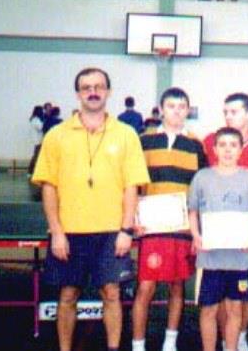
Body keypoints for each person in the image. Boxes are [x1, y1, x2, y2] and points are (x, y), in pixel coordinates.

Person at [31, 67, 150, 351]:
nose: (93, 92)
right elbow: (49, 186)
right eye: (86, 88)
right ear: (78, 94)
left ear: (108, 92)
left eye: (98, 87)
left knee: (112, 294)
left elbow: (131, 186)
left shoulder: (126, 135)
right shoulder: (56, 135)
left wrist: (126, 230)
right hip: (69, 232)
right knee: (67, 296)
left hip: (111, 233)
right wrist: (57, 232)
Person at [132, 87, 207, 351]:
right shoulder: (143, 141)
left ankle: (170, 342)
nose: (176, 111)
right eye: (171, 106)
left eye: (182, 106)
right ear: (161, 109)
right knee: (145, 288)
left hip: (182, 228)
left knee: (177, 286)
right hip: (151, 228)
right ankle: (138, 345)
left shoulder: (196, 144)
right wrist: (134, 218)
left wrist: (197, 230)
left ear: (188, 111)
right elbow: (133, 184)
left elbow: (200, 189)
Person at [202, 92, 248, 351]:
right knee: (218, 292)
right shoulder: (210, 140)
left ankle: (240, 337)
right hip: (215, 231)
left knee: (245, 289)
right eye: (226, 112)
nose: (228, 116)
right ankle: (224, 339)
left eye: (234, 111)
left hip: (246, 230)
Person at [188, 127, 248, 351]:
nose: (228, 150)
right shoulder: (202, 177)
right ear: (214, 149)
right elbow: (192, 211)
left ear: (241, 150)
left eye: (233, 145)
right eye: (222, 145)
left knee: (234, 309)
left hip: (239, 258)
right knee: (208, 309)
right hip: (210, 257)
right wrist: (196, 235)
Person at [28, 105, 44, 175]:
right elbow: (41, 127)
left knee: (36, 156)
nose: (42, 112)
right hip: (38, 141)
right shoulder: (36, 120)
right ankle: (31, 171)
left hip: (38, 141)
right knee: (36, 157)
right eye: (41, 111)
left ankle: (31, 171)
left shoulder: (35, 119)